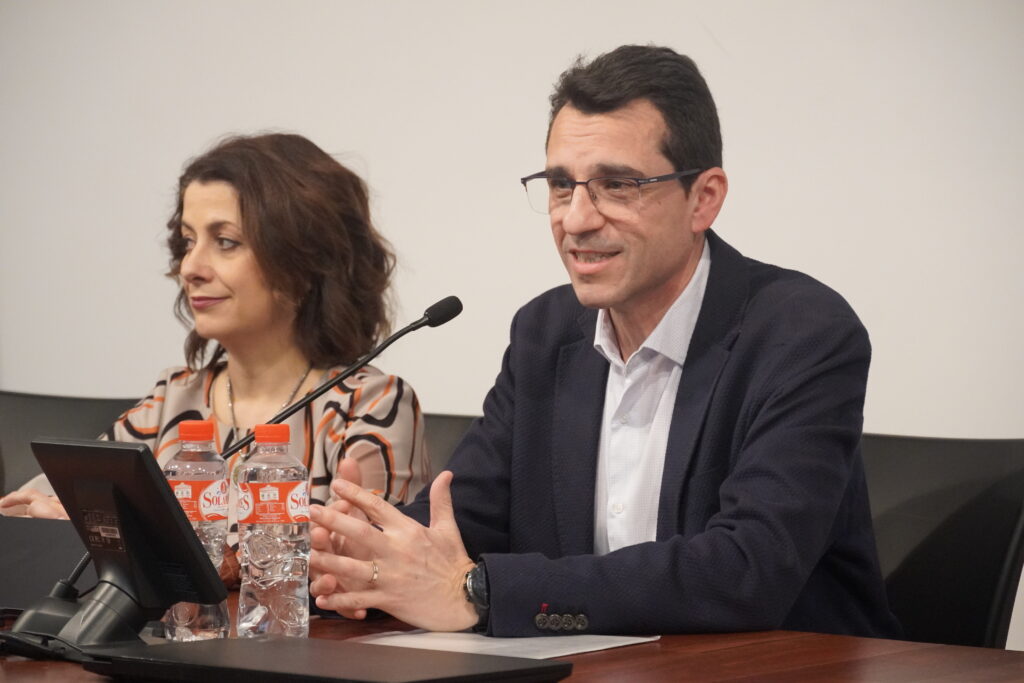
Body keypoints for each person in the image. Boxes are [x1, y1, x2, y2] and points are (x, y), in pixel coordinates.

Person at [308, 45, 901, 638]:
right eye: (560, 186)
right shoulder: (544, 333)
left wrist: (479, 591)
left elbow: (747, 570)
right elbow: (464, 518)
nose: (576, 220)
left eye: (617, 185)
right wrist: (362, 558)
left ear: (704, 199)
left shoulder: (801, 333)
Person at [1, 134, 431, 581]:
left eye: (225, 241)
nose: (190, 268)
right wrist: (50, 519)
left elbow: (353, 566)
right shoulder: (174, 398)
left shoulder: (370, 404)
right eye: (188, 241)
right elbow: (31, 507)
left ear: (304, 262)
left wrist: (113, 535)